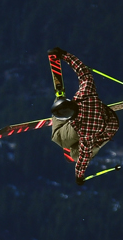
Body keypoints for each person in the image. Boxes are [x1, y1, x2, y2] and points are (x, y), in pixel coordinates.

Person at [48, 48, 119, 185]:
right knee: (79, 152)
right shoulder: (86, 93)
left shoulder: (86, 130)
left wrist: (79, 175)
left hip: (101, 129)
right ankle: (95, 114)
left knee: (60, 139)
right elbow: (83, 71)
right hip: (107, 123)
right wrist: (64, 55)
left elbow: (84, 157)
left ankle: (60, 123)